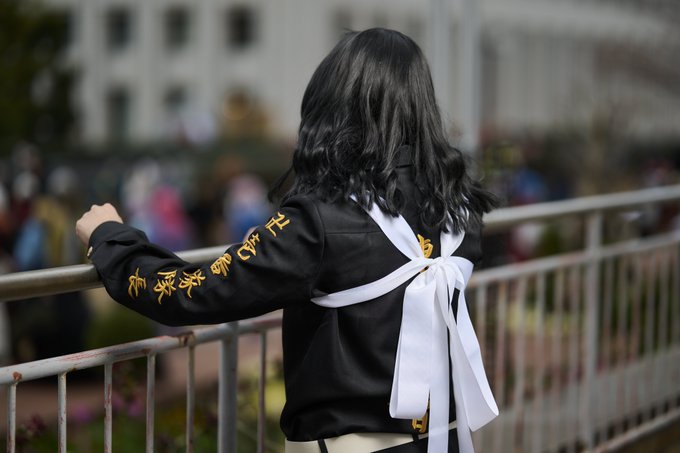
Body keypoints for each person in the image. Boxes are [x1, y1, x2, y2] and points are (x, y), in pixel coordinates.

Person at [76, 28, 498, 453]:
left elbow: (195, 291)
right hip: (444, 438)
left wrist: (110, 238)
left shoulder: (320, 217)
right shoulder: (459, 209)